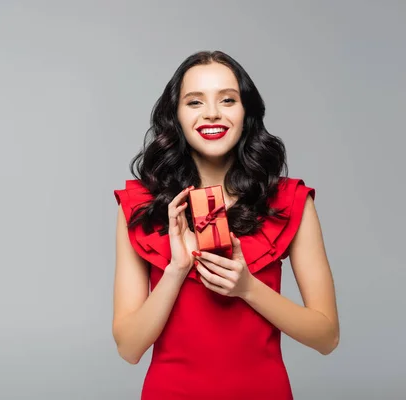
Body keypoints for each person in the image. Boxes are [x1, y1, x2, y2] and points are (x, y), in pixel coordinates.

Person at [112, 50, 339, 399]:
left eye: (228, 100)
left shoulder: (291, 202)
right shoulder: (142, 207)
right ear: (176, 116)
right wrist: (176, 269)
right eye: (194, 102)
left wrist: (247, 288)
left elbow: (327, 337)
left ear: (246, 112)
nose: (212, 113)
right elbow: (129, 349)